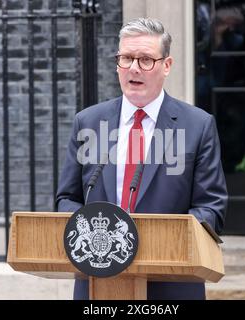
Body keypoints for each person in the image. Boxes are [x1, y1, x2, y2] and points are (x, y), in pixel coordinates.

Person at [56, 17, 228, 300]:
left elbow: (211, 207)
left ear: (167, 65)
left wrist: (161, 241)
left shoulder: (198, 125)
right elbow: (67, 198)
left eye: (145, 59)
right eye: (126, 58)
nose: (134, 68)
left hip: (172, 282)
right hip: (98, 280)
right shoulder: (88, 122)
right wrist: (97, 240)